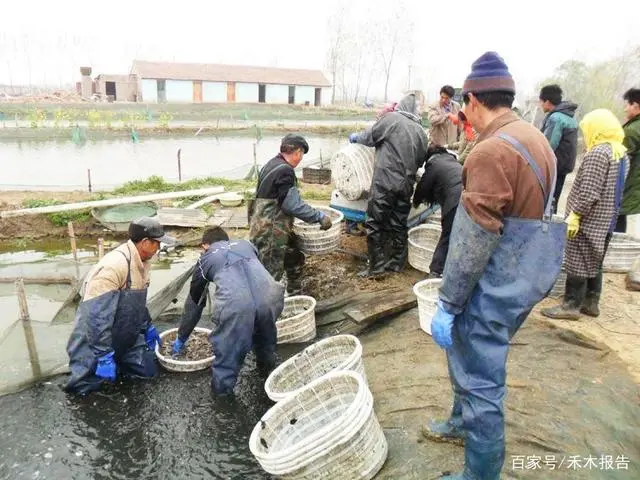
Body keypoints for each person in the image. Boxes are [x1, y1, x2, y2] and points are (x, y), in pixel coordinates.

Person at [422, 52, 565, 480]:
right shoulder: (534, 137)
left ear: (472, 100)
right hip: (528, 270)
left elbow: (472, 240)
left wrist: (448, 301)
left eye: (464, 106)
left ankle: (480, 473)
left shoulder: (490, 152)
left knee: (481, 378)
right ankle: (461, 422)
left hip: (495, 278)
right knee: (467, 353)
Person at [64, 217, 175, 395]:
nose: (159, 248)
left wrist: (147, 326)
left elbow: (137, 302)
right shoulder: (114, 266)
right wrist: (103, 355)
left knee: (148, 373)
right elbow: (96, 315)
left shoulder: (143, 262)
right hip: (94, 337)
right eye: (157, 243)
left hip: (125, 333)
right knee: (83, 388)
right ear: (146, 243)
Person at [171, 227, 284, 394]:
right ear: (227, 239)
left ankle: (223, 405)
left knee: (227, 360)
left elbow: (195, 303)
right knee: (265, 341)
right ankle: (269, 381)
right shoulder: (246, 244)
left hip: (236, 305)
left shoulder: (205, 259)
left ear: (204, 246)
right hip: (272, 295)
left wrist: (182, 337)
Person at [542, 109, 628, 320]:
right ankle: (591, 302)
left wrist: (576, 215)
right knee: (595, 259)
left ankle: (571, 305)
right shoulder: (620, 152)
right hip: (606, 219)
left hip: (589, 217)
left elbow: (589, 191)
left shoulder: (598, 153)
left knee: (578, 258)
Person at [348, 91, 429, 276]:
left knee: (374, 222)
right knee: (398, 223)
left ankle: (376, 268)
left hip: (385, 182)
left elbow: (370, 137)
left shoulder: (391, 119)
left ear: (401, 106)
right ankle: (396, 264)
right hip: (406, 185)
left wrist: (355, 137)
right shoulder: (421, 132)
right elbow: (420, 161)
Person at [249, 134, 332, 295]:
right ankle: (269, 311)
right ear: (298, 152)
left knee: (294, 257)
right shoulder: (285, 171)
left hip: (261, 226)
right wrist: (319, 217)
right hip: (271, 232)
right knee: (270, 275)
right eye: (301, 155)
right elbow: (292, 205)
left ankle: (295, 293)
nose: (300, 159)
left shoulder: (271, 164)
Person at [412, 144, 463, 278]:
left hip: (455, 201)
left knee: (447, 236)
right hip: (469, 198)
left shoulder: (433, 165)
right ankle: (455, 269)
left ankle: (435, 272)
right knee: (461, 235)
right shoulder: (452, 162)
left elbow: (422, 188)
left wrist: (414, 203)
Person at [539, 84, 579, 213]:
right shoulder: (569, 117)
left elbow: (549, 144)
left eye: (541, 102)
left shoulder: (556, 118)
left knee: (546, 201)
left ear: (547, 102)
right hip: (564, 166)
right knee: (554, 199)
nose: (540, 105)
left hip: (554, 166)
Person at [616, 88, 640, 233]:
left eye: (628, 105)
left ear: (636, 106)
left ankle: (615, 248)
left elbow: (620, 158)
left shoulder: (632, 130)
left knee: (618, 213)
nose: (625, 109)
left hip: (631, 182)